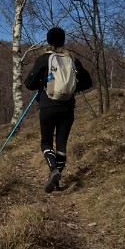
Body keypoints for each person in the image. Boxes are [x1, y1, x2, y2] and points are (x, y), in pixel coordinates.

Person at [23, 27, 93, 192]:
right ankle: (56, 181)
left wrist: (43, 84)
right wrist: (71, 89)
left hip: (48, 106)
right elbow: (88, 82)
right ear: (63, 40)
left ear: (48, 41)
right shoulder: (72, 60)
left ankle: (53, 169)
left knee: (46, 141)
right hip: (67, 107)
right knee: (61, 143)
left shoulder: (44, 59)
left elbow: (29, 84)